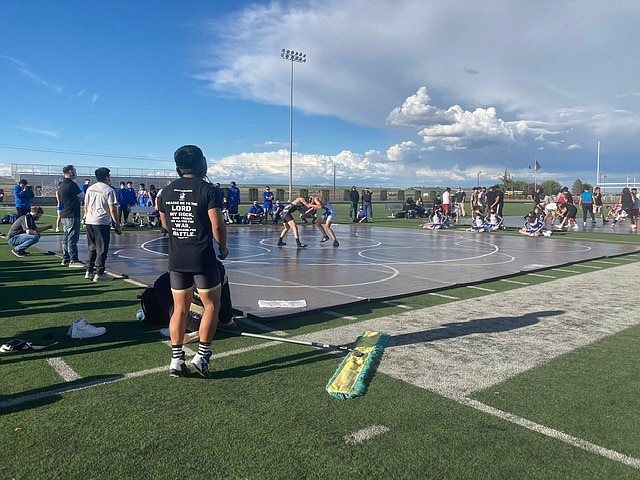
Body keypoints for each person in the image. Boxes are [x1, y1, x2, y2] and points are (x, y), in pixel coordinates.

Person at [158, 145, 228, 378]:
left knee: (180, 308)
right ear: (202, 164)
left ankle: (177, 359)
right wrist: (223, 247)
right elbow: (217, 224)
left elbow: (166, 224)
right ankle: (202, 355)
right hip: (202, 258)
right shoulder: (208, 190)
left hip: (177, 258)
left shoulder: (166, 192)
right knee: (211, 305)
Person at [83, 167, 121, 282]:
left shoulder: (90, 189)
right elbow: (113, 209)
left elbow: (86, 205)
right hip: (101, 222)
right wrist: (117, 225)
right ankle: (99, 273)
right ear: (107, 177)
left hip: (90, 220)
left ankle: (89, 271)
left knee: (92, 247)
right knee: (102, 248)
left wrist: (86, 216)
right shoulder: (109, 190)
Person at [58, 165, 84, 267]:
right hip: (72, 214)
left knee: (66, 236)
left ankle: (66, 258)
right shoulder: (71, 184)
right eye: (74, 170)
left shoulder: (62, 184)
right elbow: (82, 196)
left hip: (65, 213)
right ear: (70, 171)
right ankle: (74, 259)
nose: (75, 172)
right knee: (72, 237)